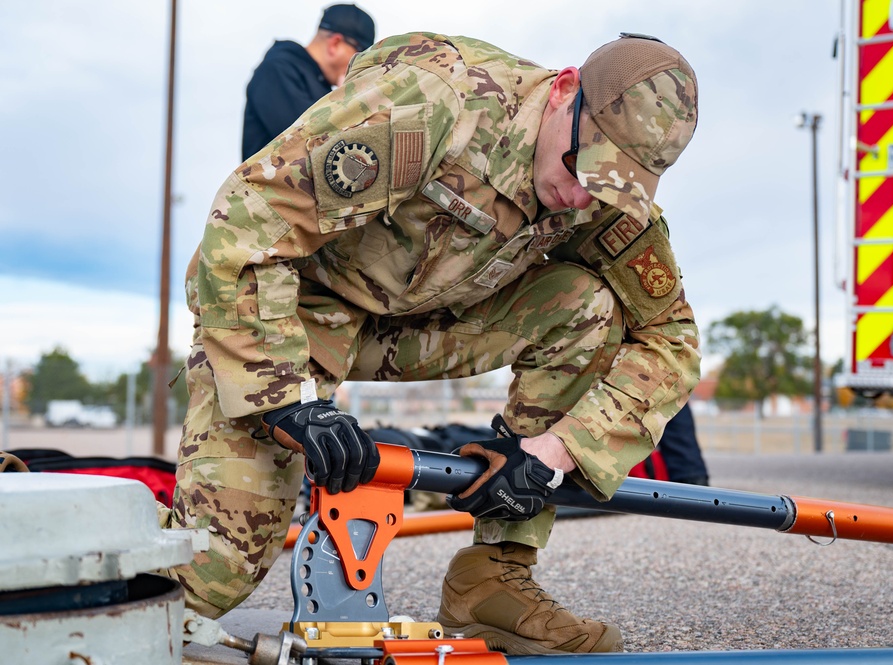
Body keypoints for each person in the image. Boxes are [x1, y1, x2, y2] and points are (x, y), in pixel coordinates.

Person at [161, 31, 700, 655]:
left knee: (589, 306)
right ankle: (42, 535)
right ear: (564, 90)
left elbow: (673, 338)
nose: (583, 198)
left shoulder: (602, 191)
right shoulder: (431, 103)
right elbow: (252, 215)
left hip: (419, 324)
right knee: (199, 583)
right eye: (581, 167)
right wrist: (286, 399)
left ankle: (493, 580)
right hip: (294, 314)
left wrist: (554, 453)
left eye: (609, 188)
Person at [241, 4, 375, 161]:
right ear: (335, 44)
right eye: (360, 57)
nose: (361, 66)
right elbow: (307, 142)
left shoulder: (318, 84)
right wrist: (346, 99)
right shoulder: (278, 70)